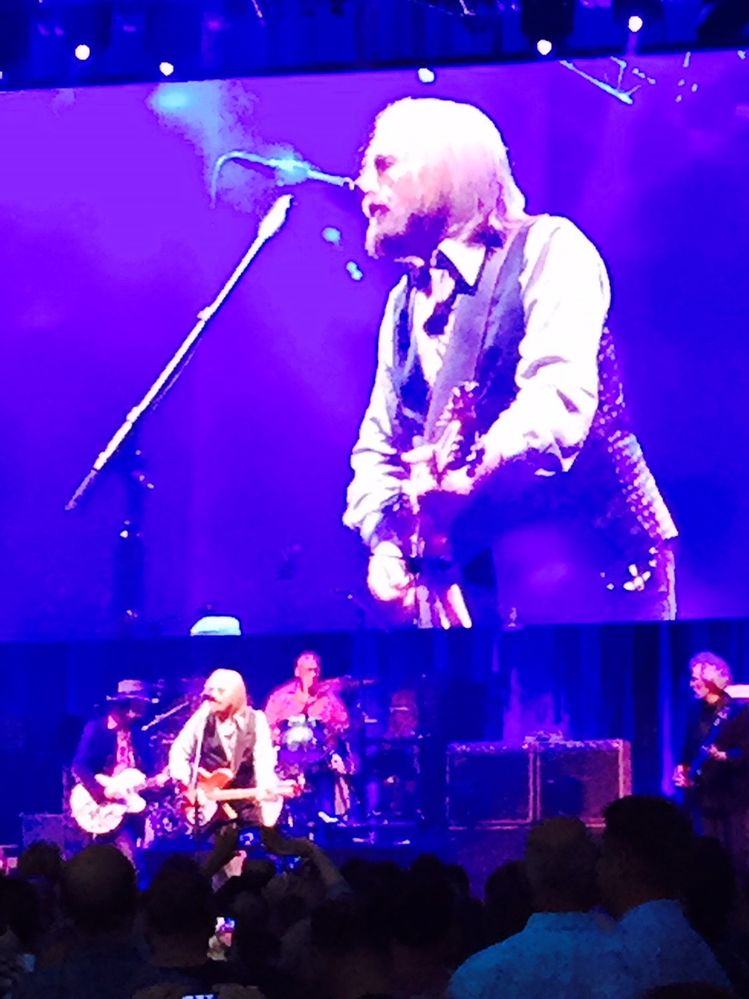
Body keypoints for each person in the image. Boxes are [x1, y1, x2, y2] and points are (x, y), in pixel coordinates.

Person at [343, 96, 677, 628]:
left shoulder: (551, 248)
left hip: (596, 565)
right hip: (487, 587)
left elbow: (557, 395)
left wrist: (474, 471)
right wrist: (386, 542)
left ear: (446, 168)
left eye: (383, 165)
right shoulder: (402, 302)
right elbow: (379, 444)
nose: (362, 184)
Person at [168, 669, 279, 834]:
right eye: (210, 690)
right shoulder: (204, 716)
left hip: (246, 806)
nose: (213, 695)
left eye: (221, 691)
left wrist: (265, 789)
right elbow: (179, 751)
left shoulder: (256, 720)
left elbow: (264, 761)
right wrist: (188, 786)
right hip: (210, 809)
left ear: (236, 695)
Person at [70, 679, 164, 864]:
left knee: (136, 860)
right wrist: (102, 792)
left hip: (131, 808)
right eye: (139, 706)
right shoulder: (97, 729)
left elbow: (148, 771)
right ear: (126, 706)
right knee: (132, 862)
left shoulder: (138, 733)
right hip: (101, 805)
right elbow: (80, 766)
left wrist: (158, 781)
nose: (141, 711)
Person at [674, 651, 749, 872]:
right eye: (692, 679)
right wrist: (681, 768)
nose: (692, 684)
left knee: (735, 855)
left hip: (733, 795)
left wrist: (726, 756)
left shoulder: (739, 710)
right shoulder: (694, 711)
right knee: (705, 856)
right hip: (703, 794)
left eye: (697, 679)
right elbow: (688, 747)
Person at [264, 652, 353, 823]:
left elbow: (344, 724)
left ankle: (327, 818)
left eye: (316, 670)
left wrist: (332, 735)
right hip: (287, 759)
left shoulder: (328, 698)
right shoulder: (281, 697)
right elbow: (267, 726)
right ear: (297, 671)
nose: (313, 675)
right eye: (308, 670)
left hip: (319, 759)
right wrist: (277, 736)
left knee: (327, 776)